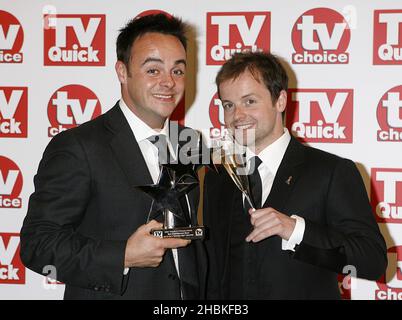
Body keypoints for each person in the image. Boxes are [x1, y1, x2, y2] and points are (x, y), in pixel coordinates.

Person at [20, 14, 207, 300]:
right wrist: (123, 256)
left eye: (178, 71)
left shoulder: (189, 142)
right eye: (153, 70)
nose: (169, 82)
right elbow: (37, 245)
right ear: (122, 71)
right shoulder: (78, 146)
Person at [203, 52, 387, 299]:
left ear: (280, 101)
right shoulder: (218, 176)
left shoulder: (331, 171)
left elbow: (372, 261)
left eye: (249, 101)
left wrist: (296, 229)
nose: (237, 115)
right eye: (228, 105)